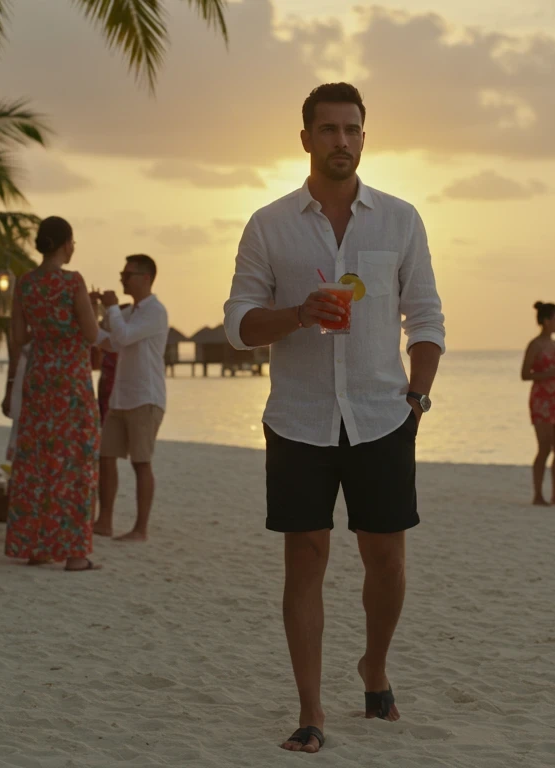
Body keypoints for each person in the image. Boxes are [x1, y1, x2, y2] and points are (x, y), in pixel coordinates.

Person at [223, 83, 446, 754]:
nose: (341, 141)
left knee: (386, 561)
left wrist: (419, 394)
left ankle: (374, 666)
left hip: (383, 415)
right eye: (328, 130)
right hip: (299, 419)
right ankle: (311, 711)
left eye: (352, 130)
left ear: (364, 138)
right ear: (305, 139)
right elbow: (237, 323)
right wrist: (297, 313)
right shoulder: (269, 224)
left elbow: (427, 316)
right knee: (306, 560)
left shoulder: (401, 220)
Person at [2, 216, 104, 571]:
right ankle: (75, 553)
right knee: (75, 461)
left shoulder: (25, 284)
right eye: (72, 242)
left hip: (40, 379)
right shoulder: (72, 281)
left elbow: (18, 337)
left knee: (37, 463)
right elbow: (91, 334)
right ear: (64, 243)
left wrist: (47, 329)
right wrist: (96, 310)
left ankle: (37, 547)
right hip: (71, 383)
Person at [94, 254, 169, 542]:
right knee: (106, 456)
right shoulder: (128, 313)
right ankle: (105, 520)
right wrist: (90, 311)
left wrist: (111, 307)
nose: (123, 279)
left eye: (128, 274)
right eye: (122, 274)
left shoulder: (155, 311)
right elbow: (110, 341)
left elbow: (122, 337)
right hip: (121, 397)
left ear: (146, 278)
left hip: (145, 398)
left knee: (141, 462)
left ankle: (140, 529)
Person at [522, 301, 555, 506]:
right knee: (545, 447)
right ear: (546, 320)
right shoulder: (535, 345)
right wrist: (550, 373)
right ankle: (538, 494)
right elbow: (525, 374)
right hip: (541, 398)